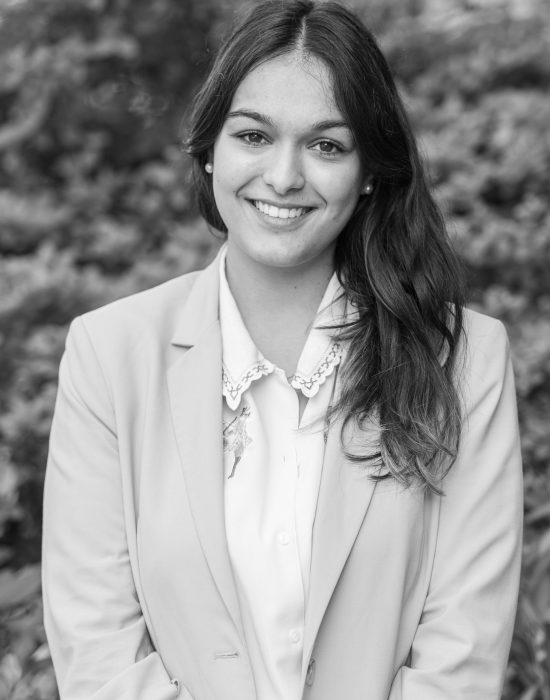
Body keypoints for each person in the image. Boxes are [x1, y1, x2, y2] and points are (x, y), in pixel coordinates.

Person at [41, 1, 523, 699]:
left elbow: (463, 652)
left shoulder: (466, 359)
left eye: (327, 145)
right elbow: (98, 648)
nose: (285, 176)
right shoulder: (110, 354)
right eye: (254, 136)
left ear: (368, 173)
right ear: (210, 150)